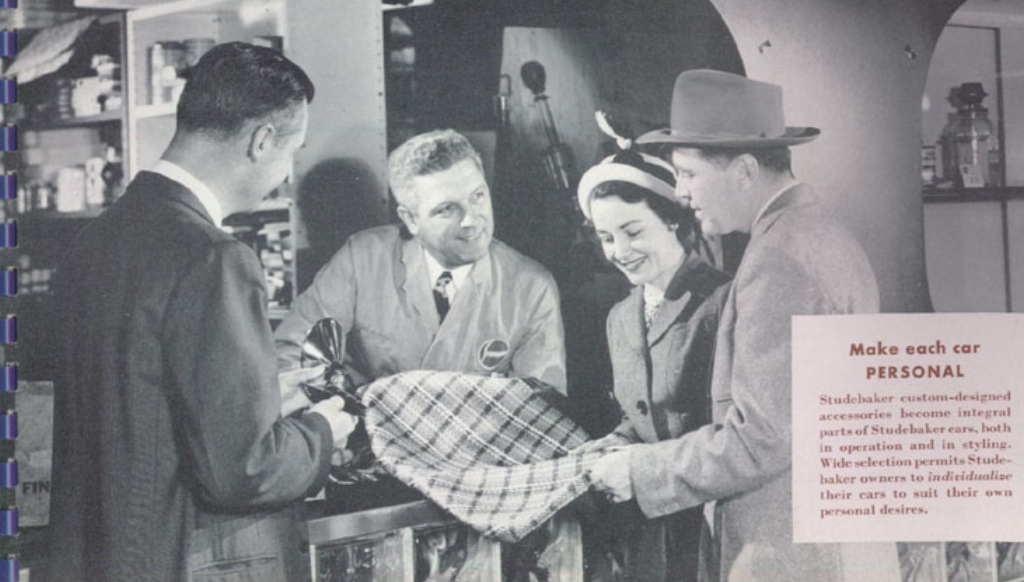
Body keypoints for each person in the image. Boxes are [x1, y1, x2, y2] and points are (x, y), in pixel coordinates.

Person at [47, 42, 359, 582]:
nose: (286, 173)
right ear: (262, 141)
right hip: (178, 562)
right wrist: (322, 433)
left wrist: (262, 398)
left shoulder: (94, 240)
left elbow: (139, 406)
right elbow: (242, 471)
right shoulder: (216, 258)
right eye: (292, 151)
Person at [589, 69, 881, 581]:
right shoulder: (817, 232)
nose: (682, 193)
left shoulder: (778, 260)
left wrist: (638, 470)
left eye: (688, 174)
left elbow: (759, 438)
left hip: (790, 557)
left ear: (744, 170)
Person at [274, 129, 566, 393]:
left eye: (477, 196)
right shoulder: (362, 258)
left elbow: (542, 408)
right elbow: (293, 353)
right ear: (411, 219)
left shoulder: (532, 287)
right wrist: (333, 413)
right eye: (446, 209)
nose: (471, 220)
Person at [576, 138, 730, 582]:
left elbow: (734, 432)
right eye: (606, 237)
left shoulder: (723, 300)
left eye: (633, 231)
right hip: (651, 531)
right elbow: (642, 415)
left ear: (672, 220)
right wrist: (615, 440)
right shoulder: (620, 317)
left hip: (712, 524)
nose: (619, 251)